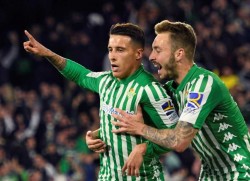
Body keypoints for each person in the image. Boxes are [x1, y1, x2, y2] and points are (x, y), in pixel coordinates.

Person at [23, 23, 179, 180]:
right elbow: (80, 75)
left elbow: (175, 137)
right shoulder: (105, 81)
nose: (112, 56)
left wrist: (144, 148)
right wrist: (100, 134)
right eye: (110, 49)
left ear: (138, 54)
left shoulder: (151, 90)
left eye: (120, 50)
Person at [111, 20, 250, 180]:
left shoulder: (203, 83)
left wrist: (140, 128)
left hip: (239, 173)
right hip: (210, 175)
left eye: (158, 50)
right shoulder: (171, 90)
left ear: (179, 54)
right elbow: (160, 132)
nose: (151, 56)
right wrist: (100, 135)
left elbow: (179, 140)